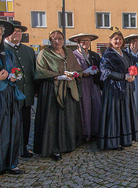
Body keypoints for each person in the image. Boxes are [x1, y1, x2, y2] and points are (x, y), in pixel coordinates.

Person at [33, 30, 83, 161]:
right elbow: (40, 71)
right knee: (53, 119)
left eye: (60, 38)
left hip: (68, 89)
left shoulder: (69, 53)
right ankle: (53, 148)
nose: (57, 41)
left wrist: (75, 75)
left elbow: (78, 69)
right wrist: (58, 76)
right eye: (54, 39)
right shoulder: (44, 53)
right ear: (50, 40)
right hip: (51, 90)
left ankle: (67, 144)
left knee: (67, 118)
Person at [98, 27, 138, 150]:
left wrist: (132, 75)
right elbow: (105, 72)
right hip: (113, 89)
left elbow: (131, 67)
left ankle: (125, 139)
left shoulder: (125, 54)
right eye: (115, 39)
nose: (118, 41)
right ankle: (113, 142)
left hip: (126, 88)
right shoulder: (107, 54)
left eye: (120, 39)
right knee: (114, 115)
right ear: (110, 40)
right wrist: (123, 76)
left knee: (124, 114)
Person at [4, 20, 36, 158]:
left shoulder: (28, 50)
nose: (17, 34)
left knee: (26, 123)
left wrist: (36, 90)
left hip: (26, 93)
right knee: (10, 124)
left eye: (19, 31)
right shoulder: (3, 49)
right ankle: (10, 151)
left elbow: (34, 71)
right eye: (14, 31)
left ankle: (23, 148)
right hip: (8, 94)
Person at [0, 20, 25, 175]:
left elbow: (16, 70)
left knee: (12, 128)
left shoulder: (7, 53)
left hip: (9, 93)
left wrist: (16, 75)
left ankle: (10, 163)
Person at [69, 33, 102, 141]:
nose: (85, 43)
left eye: (87, 41)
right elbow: (70, 71)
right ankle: (84, 133)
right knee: (85, 108)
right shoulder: (73, 55)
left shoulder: (94, 55)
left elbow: (100, 68)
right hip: (81, 84)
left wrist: (96, 71)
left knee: (96, 106)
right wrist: (83, 72)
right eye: (82, 41)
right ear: (78, 43)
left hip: (93, 84)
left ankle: (95, 131)